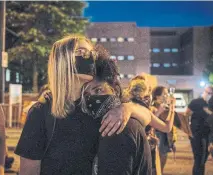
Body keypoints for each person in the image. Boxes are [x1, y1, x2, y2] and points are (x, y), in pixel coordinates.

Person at [15, 35, 138, 175]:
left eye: (91, 53)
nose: (90, 58)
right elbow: (29, 170)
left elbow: (148, 117)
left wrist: (127, 108)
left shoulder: (98, 104)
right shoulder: (40, 112)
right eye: (81, 52)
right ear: (62, 61)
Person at [80, 59, 152, 175]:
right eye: (87, 95)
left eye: (98, 90)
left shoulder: (115, 127)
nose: (92, 98)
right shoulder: (121, 119)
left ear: (114, 90)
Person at [184, 85, 212, 175]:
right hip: (196, 133)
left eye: (211, 93)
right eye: (207, 92)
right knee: (199, 158)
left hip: (209, 134)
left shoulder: (211, 104)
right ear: (204, 91)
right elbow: (186, 115)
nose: (208, 95)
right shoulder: (196, 102)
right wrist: (188, 130)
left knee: (203, 159)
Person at [151, 86, 178, 174]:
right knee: (157, 166)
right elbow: (165, 125)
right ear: (157, 96)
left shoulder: (165, 107)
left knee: (161, 167)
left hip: (164, 139)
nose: (167, 96)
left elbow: (171, 126)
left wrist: (172, 142)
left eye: (167, 94)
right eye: (165, 94)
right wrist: (171, 108)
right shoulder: (153, 107)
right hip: (158, 139)